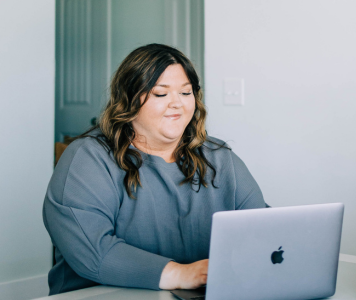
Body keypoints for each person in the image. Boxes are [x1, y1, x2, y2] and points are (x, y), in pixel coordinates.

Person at [43, 43, 267, 295]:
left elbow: (264, 230)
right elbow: (91, 250)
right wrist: (181, 273)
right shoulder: (88, 158)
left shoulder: (219, 157)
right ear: (127, 101)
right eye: (161, 94)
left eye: (186, 93)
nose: (177, 104)